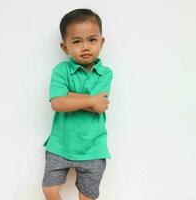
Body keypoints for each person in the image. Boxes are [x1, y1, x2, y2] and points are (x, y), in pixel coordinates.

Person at [42, 8, 113, 200]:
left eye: (92, 40)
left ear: (101, 42)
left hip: (93, 147)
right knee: (50, 190)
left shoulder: (105, 73)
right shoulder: (61, 70)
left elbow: (100, 106)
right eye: (76, 41)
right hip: (60, 145)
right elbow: (57, 103)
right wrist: (90, 99)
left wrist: (68, 96)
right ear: (65, 47)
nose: (85, 47)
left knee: (87, 196)